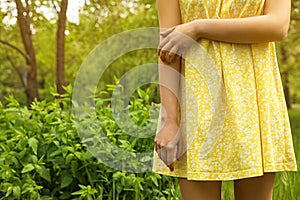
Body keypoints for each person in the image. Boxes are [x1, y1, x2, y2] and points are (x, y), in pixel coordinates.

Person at [152, 0, 298, 199]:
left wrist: (198, 27)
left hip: (253, 98)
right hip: (197, 102)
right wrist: (170, 119)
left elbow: (277, 25)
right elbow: (168, 48)